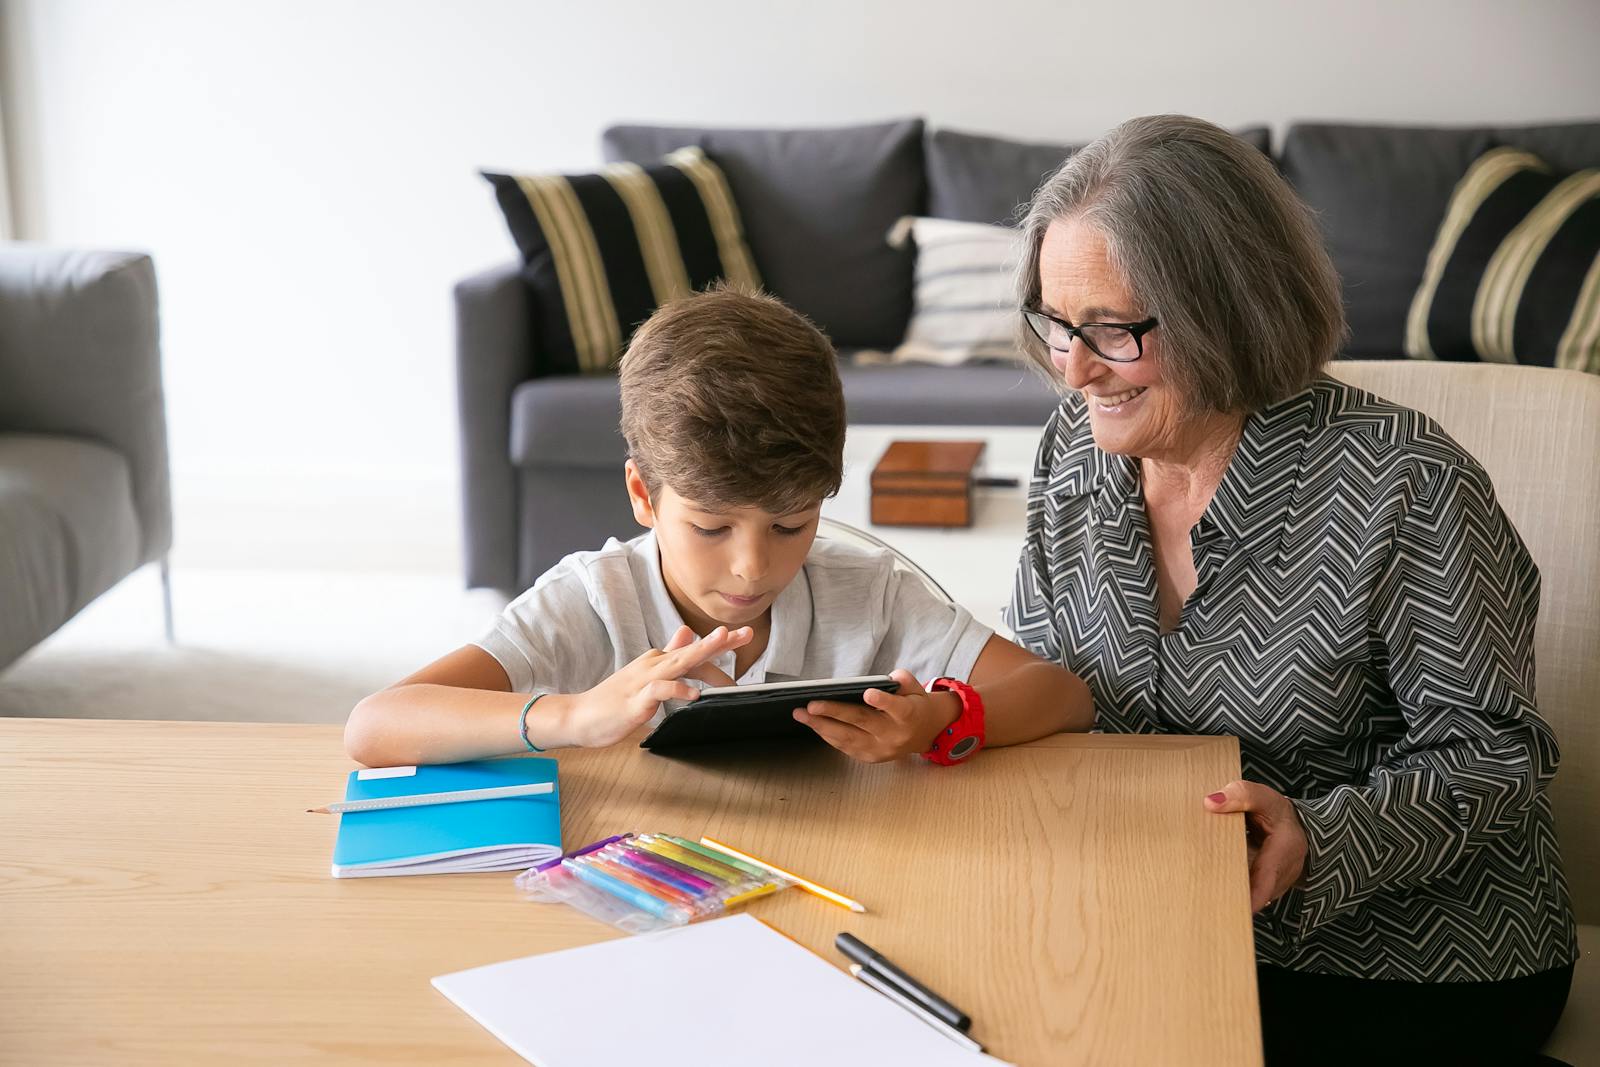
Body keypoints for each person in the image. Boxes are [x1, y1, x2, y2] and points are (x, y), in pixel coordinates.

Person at [1004, 115, 1577, 1064]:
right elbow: (1044, 674)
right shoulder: (1075, 452)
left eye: (1112, 329)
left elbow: (1497, 757)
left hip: (1406, 958)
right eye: (1058, 324)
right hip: (1166, 913)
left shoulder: (1407, 485)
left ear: (1223, 307)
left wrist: (1319, 834)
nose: (1074, 368)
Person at [346, 286, 1091, 769]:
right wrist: (574, 713)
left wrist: (938, 716)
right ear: (644, 493)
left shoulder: (867, 593)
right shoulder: (594, 599)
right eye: (709, 528)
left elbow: (1059, 693)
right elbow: (377, 724)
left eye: (791, 523)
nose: (751, 567)